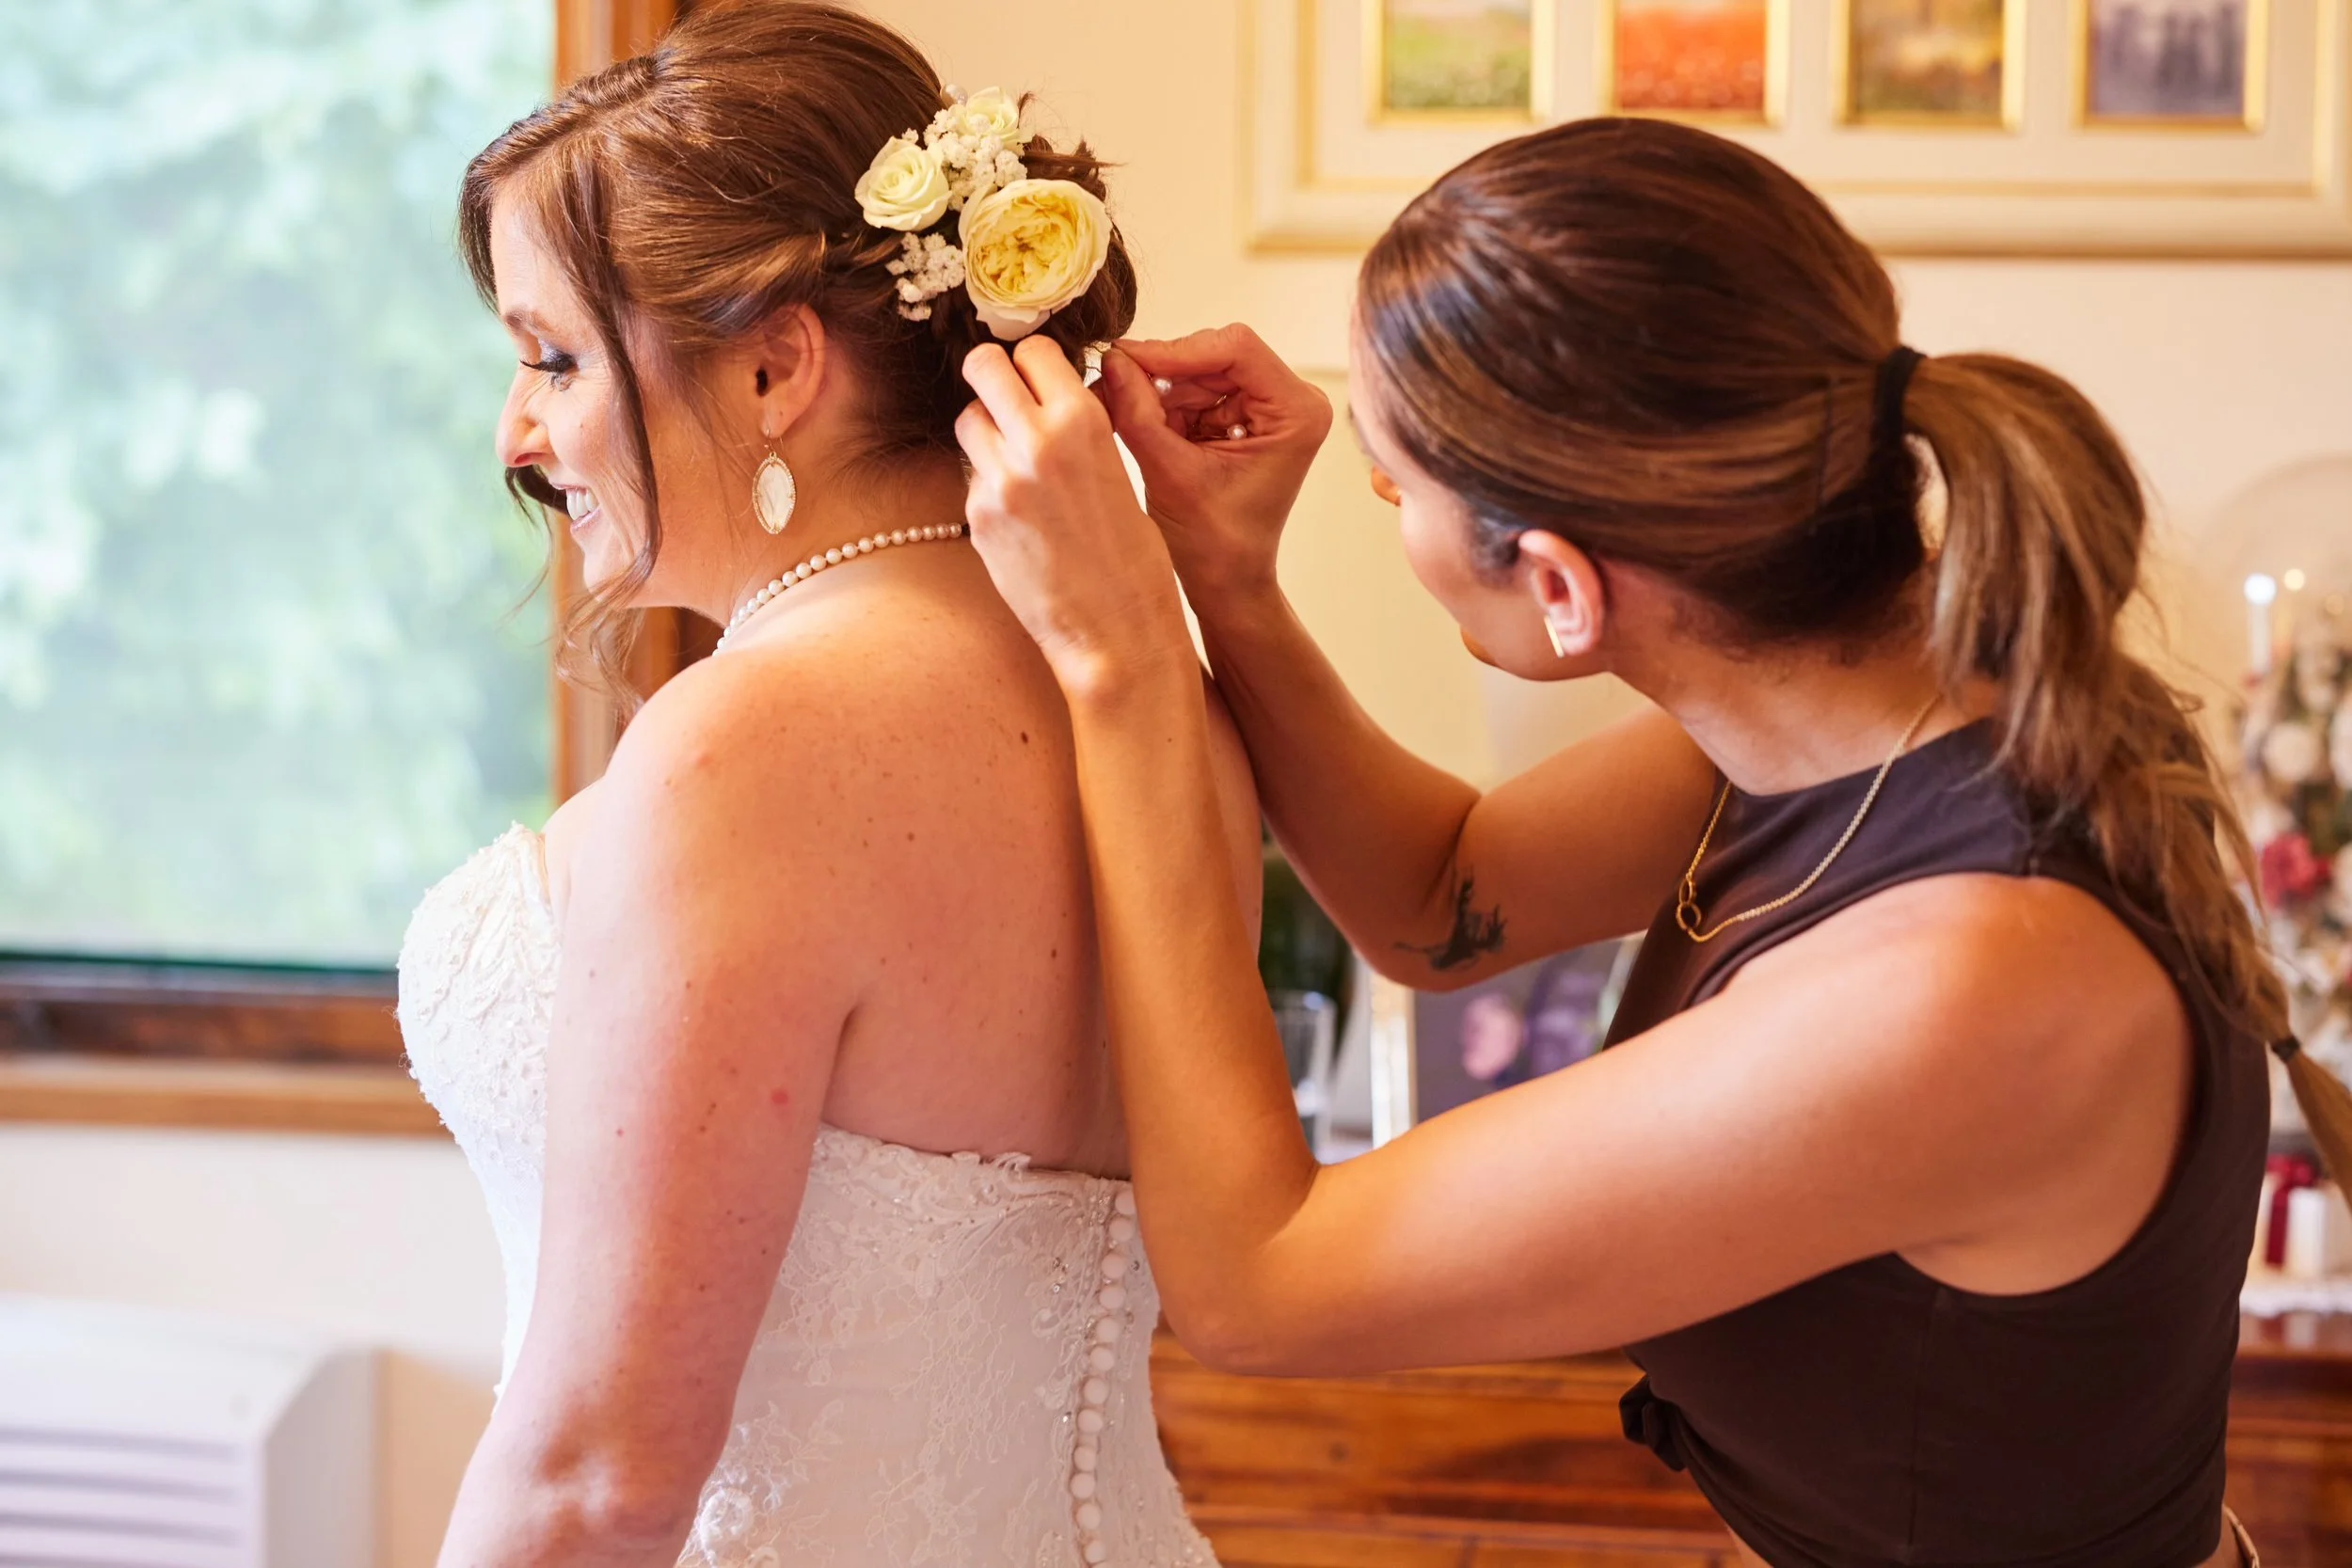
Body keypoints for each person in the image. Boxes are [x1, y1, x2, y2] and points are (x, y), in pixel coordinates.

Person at [953, 116, 2319, 1567]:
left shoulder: (1972, 985)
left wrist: (1123, 667)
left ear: (1559, 585)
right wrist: (1223, 581)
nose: (1372, 493)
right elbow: (1437, 901)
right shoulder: (1868, 696)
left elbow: (1260, 1285)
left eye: (1396, 481)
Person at [395, 6, 1251, 1564]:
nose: (519, 434)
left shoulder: (754, 746)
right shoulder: (1157, 705)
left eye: (554, 358)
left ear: (781, 363)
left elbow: (599, 1474)